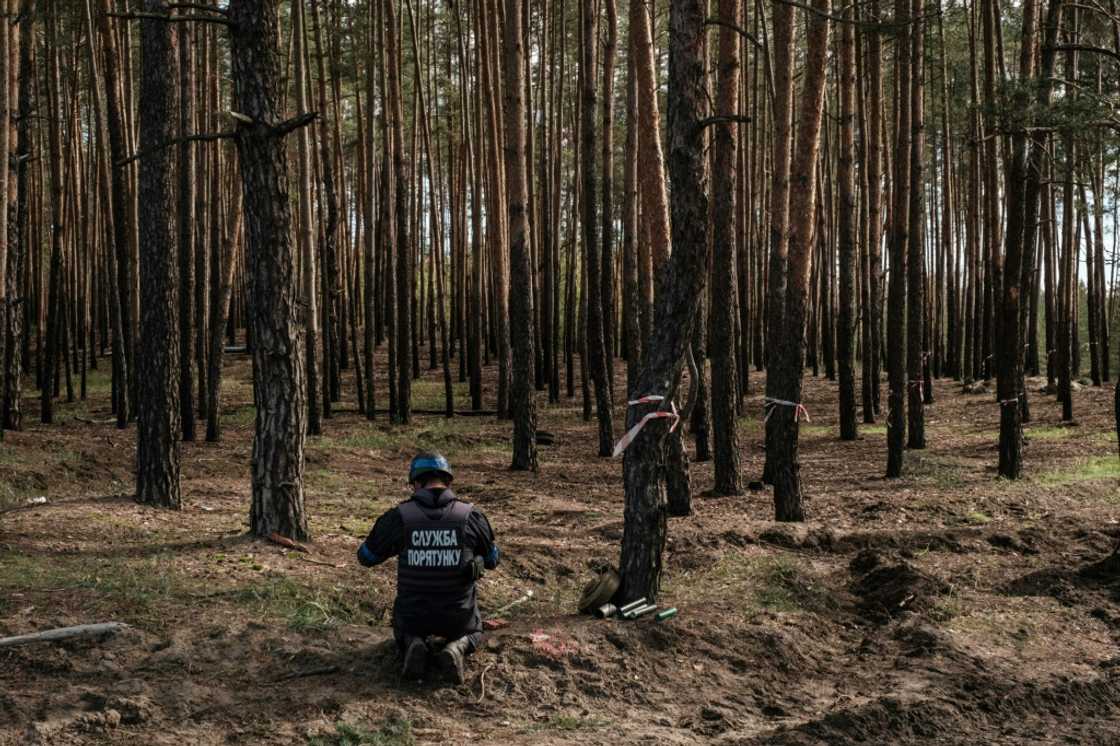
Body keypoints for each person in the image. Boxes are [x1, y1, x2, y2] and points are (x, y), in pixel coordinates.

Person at [356, 452, 500, 683]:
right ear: (448, 481)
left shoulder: (398, 517)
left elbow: (366, 557)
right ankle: (457, 647)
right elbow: (494, 559)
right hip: (458, 617)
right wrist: (478, 559)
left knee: (405, 629)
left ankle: (414, 642)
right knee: (474, 631)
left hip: (413, 616)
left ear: (415, 483)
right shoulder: (471, 516)